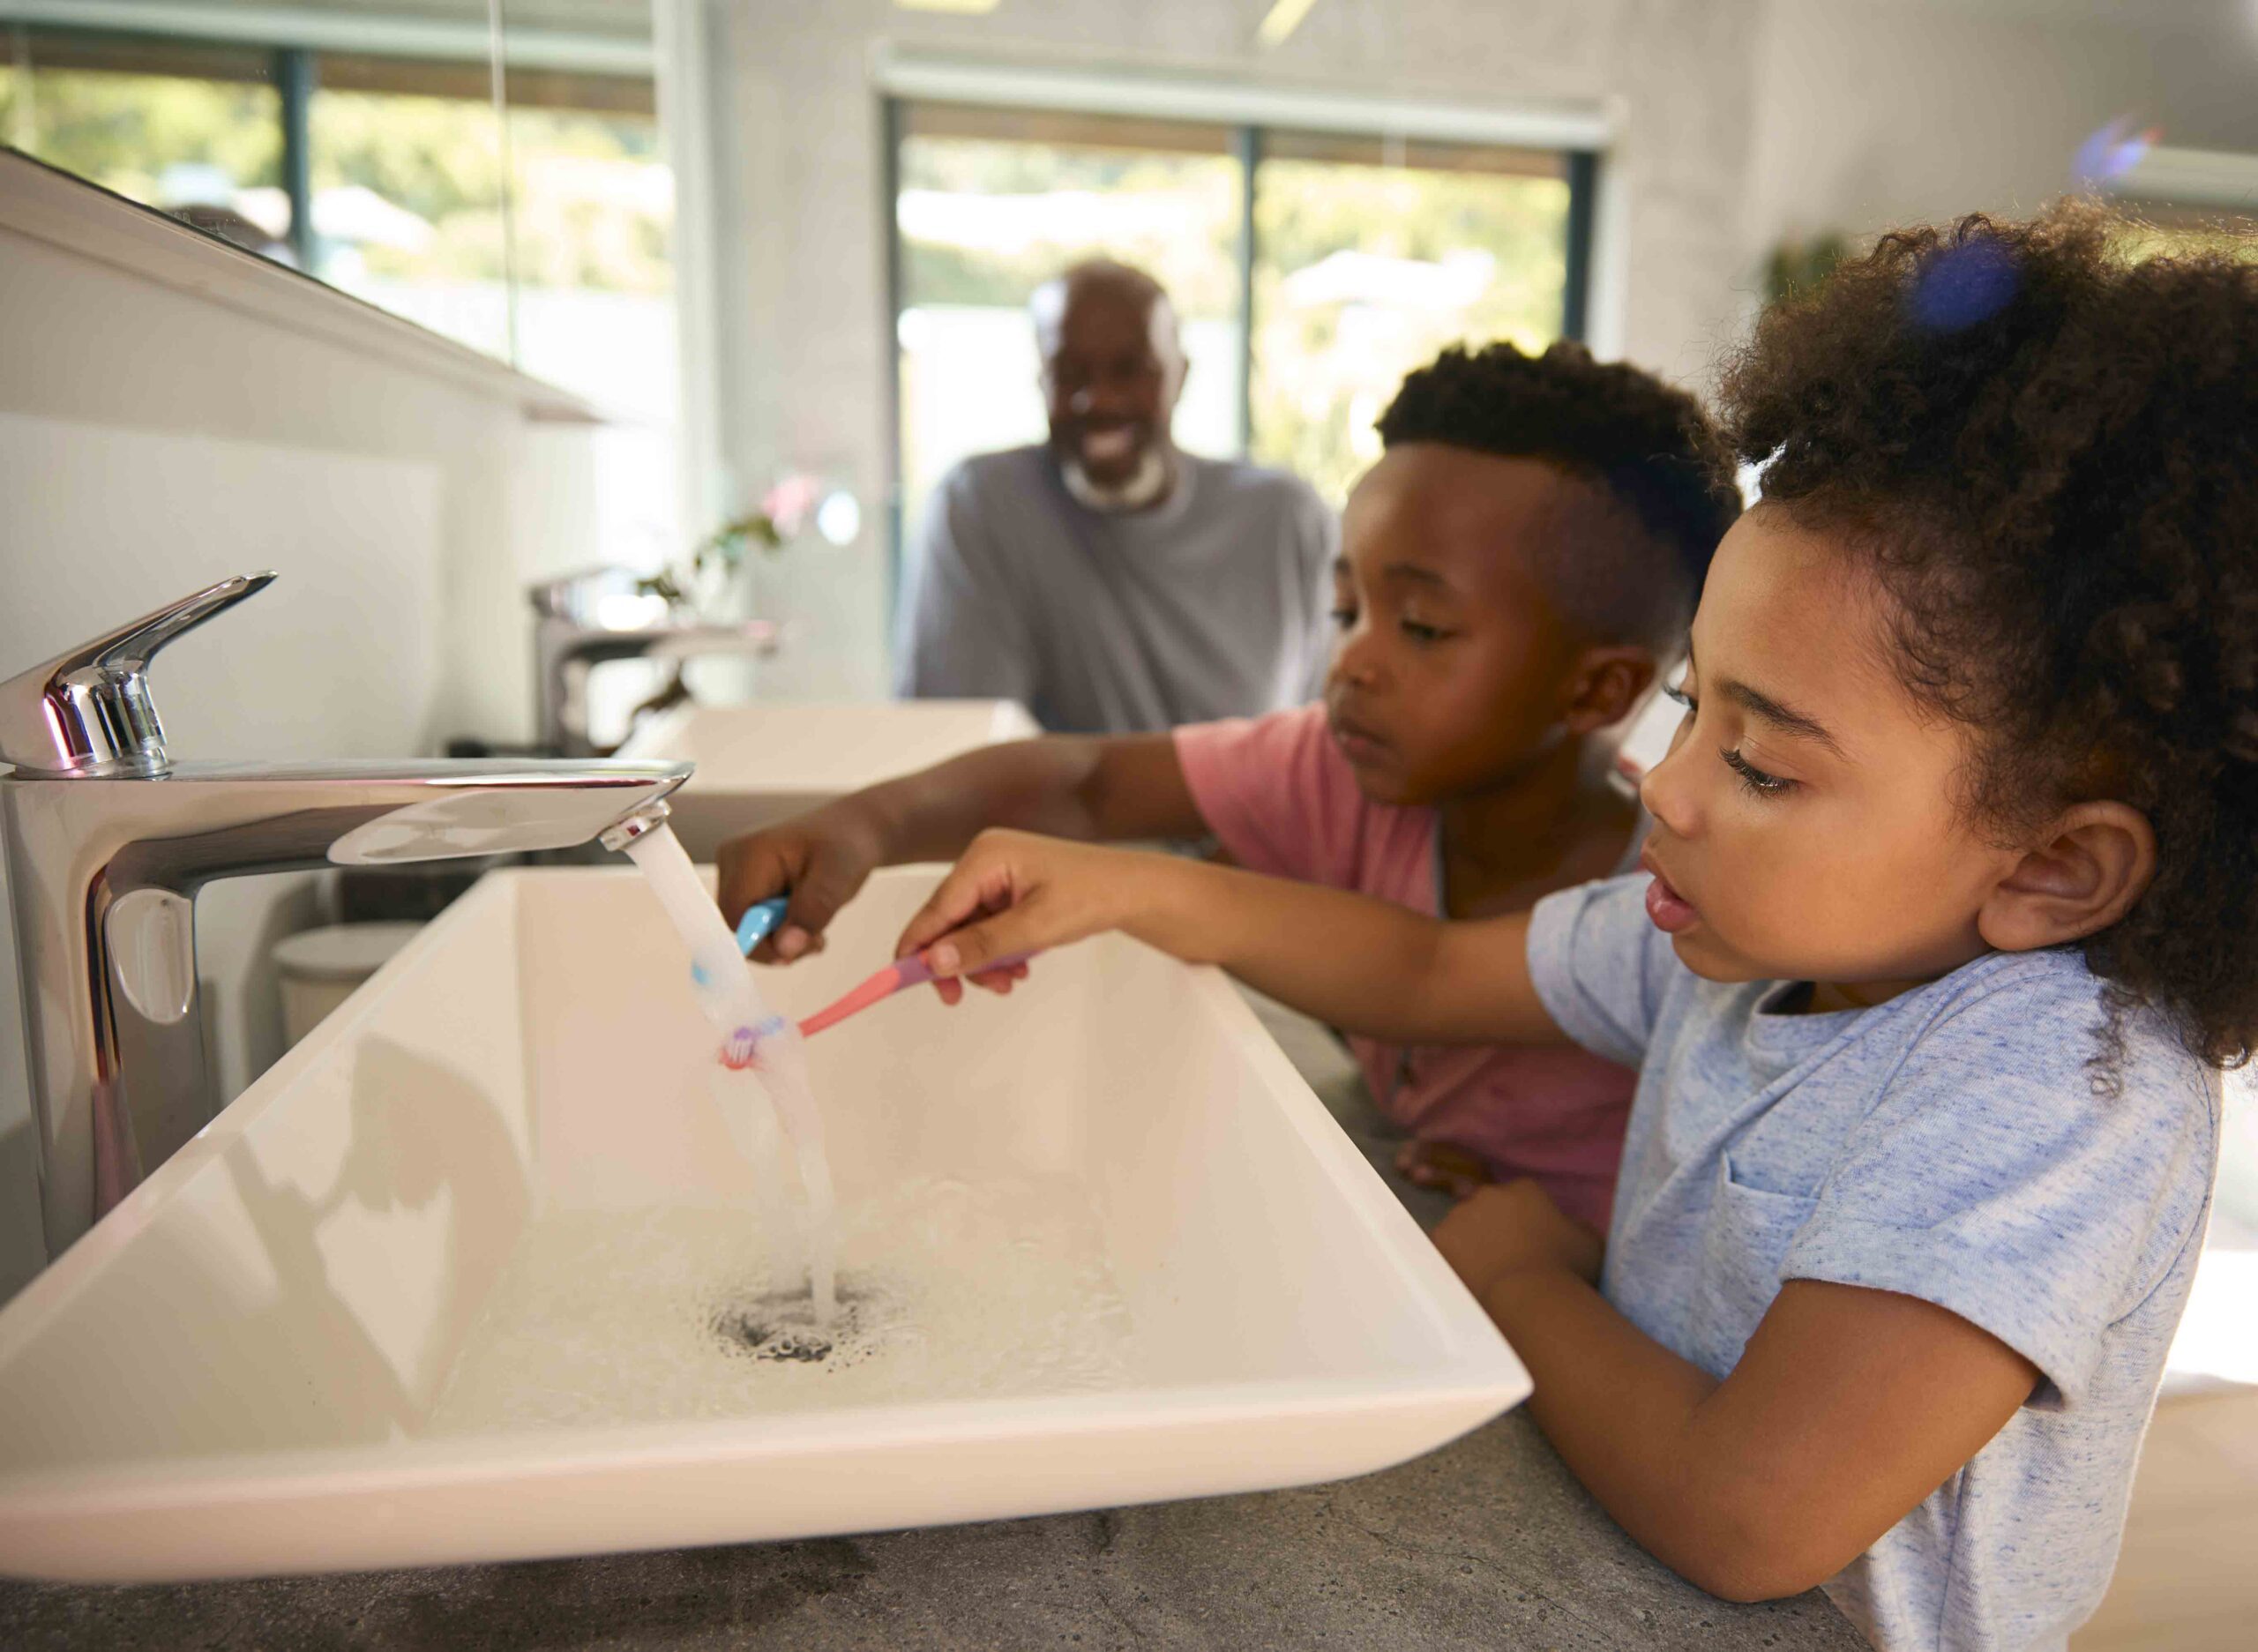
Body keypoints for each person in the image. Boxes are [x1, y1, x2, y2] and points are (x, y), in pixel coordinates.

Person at [887, 206, 2249, 1648]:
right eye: (1694, 705)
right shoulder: (1743, 936)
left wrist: (1524, 1273)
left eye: (1764, 764)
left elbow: (1748, 1511)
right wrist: (1129, 885)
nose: (1662, 783)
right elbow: (1419, 966)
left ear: (2055, 868)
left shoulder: (2054, 1089)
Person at [724, 340, 1741, 1229]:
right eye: (1348, 611)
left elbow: (1677, 1223)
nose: (1352, 663)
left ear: (1595, 688)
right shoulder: (1336, 770)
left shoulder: (1679, 921)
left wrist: (1546, 1223)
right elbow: (1086, 783)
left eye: (1421, 628)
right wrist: (869, 821)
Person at [893, 258, 1335, 734]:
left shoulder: (1288, 522)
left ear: (1179, 376)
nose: (1099, 400)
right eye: (1069, 373)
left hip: (1252, 812)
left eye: (1129, 371)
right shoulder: (982, 507)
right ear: (1041, 380)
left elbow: (1323, 748)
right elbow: (964, 755)